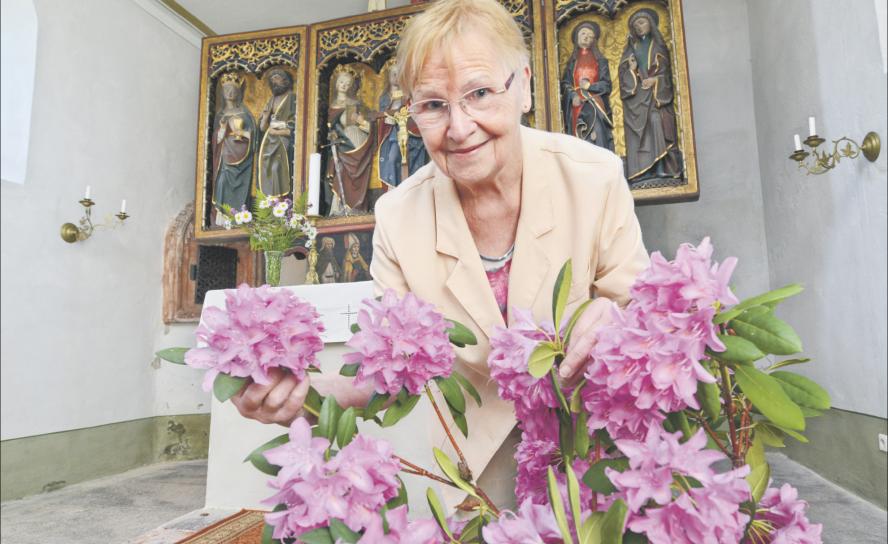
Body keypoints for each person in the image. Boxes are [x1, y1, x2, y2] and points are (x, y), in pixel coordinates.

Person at [232, 0, 649, 510]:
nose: (458, 127)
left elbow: (639, 306)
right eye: (432, 105)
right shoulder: (397, 216)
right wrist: (301, 392)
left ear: (523, 87)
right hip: (473, 458)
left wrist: (618, 314)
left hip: (594, 442)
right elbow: (388, 373)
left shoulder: (594, 176)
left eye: (478, 94)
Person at [617, 8, 683, 182]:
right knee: (639, 133)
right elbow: (623, 74)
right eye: (635, 25)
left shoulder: (659, 46)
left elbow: (668, 75)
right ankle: (642, 171)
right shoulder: (631, 48)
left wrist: (655, 81)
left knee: (656, 121)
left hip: (655, 97)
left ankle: (661, 167)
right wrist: (631, 71)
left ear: (650, 24)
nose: (639, 27)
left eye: (642, 22)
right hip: (636, 98)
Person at [324, 65, 377, 215]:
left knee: (357, 172)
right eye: (342, 82)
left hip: (356, 138)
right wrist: (332, 134)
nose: (344, 86)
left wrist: (361, 121)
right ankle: (339, 207)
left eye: (347, 84)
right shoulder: (332, 105)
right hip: (341, 141)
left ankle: (356, 207)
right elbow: (331, 127)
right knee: (340, 170)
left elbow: (367, 124)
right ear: (336, 83)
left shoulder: (355, 104)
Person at [376, 58, 430, 193]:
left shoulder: (408, 95)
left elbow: (412, 111)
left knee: (409, 161)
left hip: (411, 135)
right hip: (393, 134)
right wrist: (386, 117)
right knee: (392, 158)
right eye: (392, 74)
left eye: (398, 74)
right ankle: (392, 190)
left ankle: (411, 190)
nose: (395, 77)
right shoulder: (384, 97)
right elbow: (382, 116)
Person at [560, 21, 615, 151]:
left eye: (590, 36)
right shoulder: (572, 62)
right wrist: (573, 96)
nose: (586, 37)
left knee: (597, 134)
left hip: (595, 104)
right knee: (579, 138)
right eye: (583, 33)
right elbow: (565, 84)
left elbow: (606, 85)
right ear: (576, 37)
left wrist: (590, 86)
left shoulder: (600, 61)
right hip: (577, 105)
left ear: (594, 41)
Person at [211, 72, 256, 220]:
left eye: (233, 90)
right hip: (224, 157)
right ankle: (222, 218)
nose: (230, 93)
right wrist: (222, 130)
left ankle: (239, 217)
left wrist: (243, 133)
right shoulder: (220, 114)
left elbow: (254, 136)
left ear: (238, 92)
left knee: (242, 187)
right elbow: (215, 139)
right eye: (226, 90)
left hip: (243, 158)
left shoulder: (245, 113)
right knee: (222, 181)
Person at [257, 67, 296, 197]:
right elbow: (262, 127)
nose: (274, 82)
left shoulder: (292, 98)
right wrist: (265, 117)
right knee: (266, 171)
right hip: (269, 143)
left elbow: (296, 126)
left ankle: (284, 203)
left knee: (278, 169)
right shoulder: (271, 100)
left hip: (284, 142)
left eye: (277, 79)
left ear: (285, 81)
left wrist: (278, 131)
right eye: (271, 80)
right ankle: (270, 205)